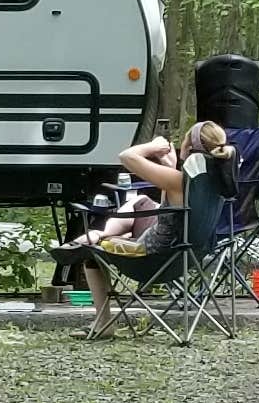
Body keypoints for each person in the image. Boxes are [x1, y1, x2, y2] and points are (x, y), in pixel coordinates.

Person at [57, 120, 235, 332]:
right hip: (187, 255)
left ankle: (103, 322)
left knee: (92, 254)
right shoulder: (218, 179)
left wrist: (153, 147)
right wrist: (168, 167)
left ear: (189, 147)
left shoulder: (179, 181)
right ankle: (100, 234)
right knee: (141, 201)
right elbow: (174, 209)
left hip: (153, 258)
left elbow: (126, 156)